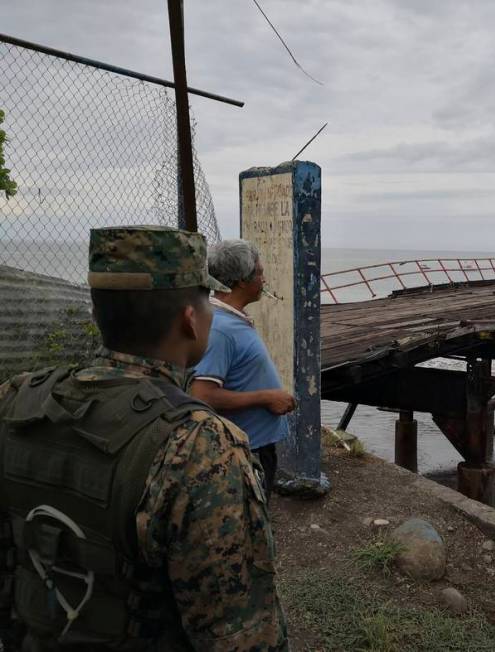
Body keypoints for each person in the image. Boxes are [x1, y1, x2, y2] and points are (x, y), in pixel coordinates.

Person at [0, 226, 288, 650]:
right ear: (191, 321)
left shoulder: (16, 401)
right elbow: (240, 635)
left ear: (97, 315)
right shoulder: (200, 446)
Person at [190, 240, 296, 497]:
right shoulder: (221, 329)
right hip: (243, 452)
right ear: (240, 280)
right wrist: (267, 397)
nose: (263, 278)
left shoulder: (229, 320)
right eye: (259, 272)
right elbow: (201, 396)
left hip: (255, 447)